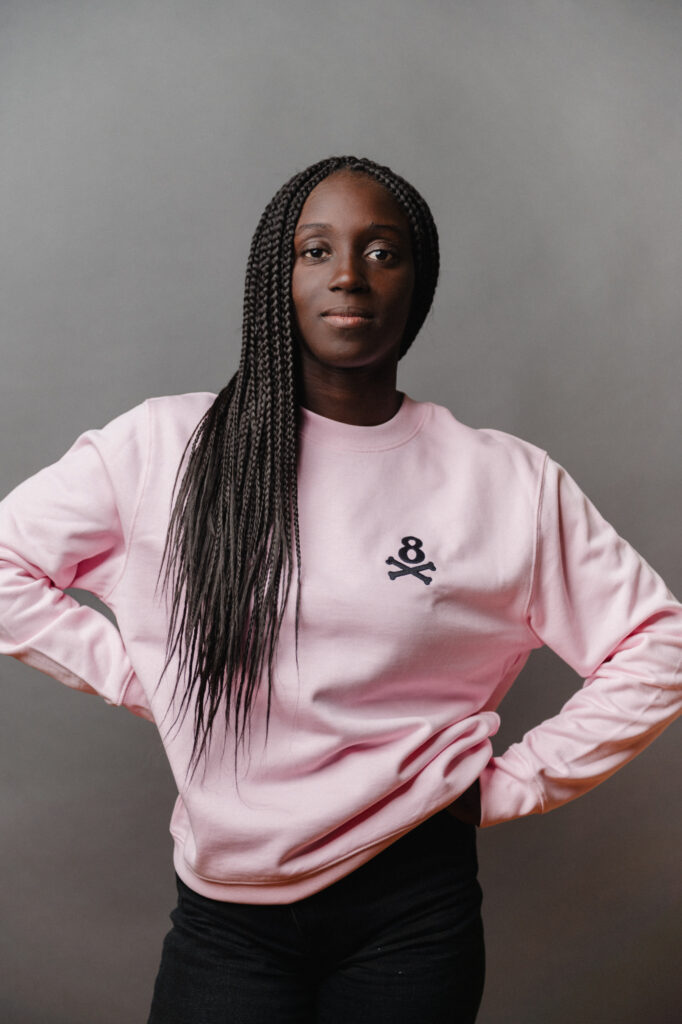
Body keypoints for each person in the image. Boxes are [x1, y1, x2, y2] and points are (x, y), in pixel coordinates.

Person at [0, 155, 680, 1024]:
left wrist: (514, 784)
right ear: (274, 277)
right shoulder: (163, 447)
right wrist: (152, 679)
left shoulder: (505, 481)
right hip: (227, 919)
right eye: (315, 250)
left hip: (412, 910)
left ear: (418, 283)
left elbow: (657, 643)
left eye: (382, 252)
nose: (349, 276)